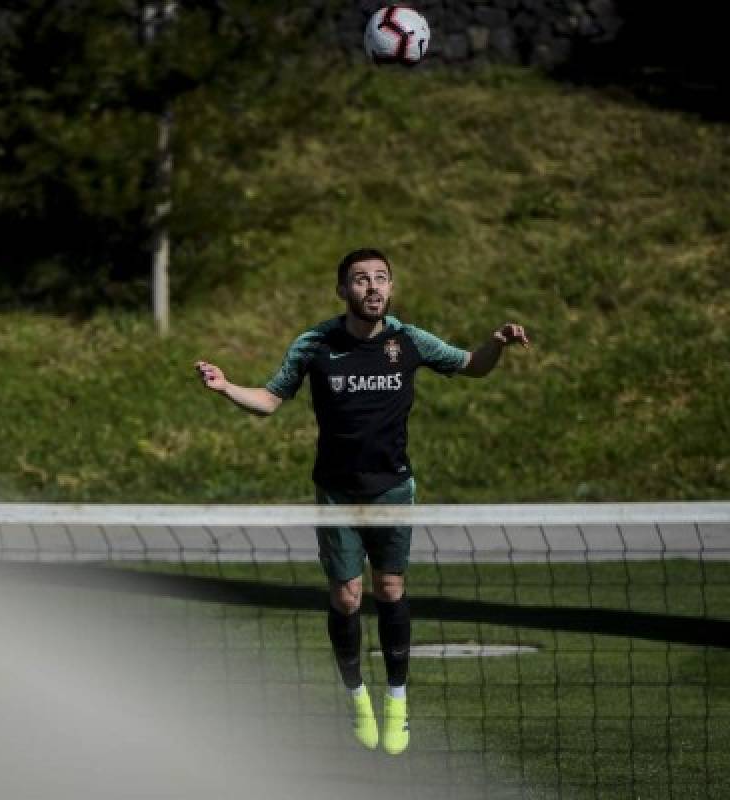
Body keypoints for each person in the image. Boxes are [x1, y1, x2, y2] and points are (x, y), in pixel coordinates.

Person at [194, 248, 529, 756]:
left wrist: (497, 342)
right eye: (360, 280)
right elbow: (268, 400)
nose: (372, 287)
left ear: (390, 288)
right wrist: (225, 388)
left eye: (381, 279)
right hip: (336, 493)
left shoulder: (408, 340)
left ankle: (397, 702)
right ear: (343, 290)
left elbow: (472, 365)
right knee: (346, 597)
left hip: (393, 489)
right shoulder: (315, 344)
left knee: (390, 588)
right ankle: (358, 697)